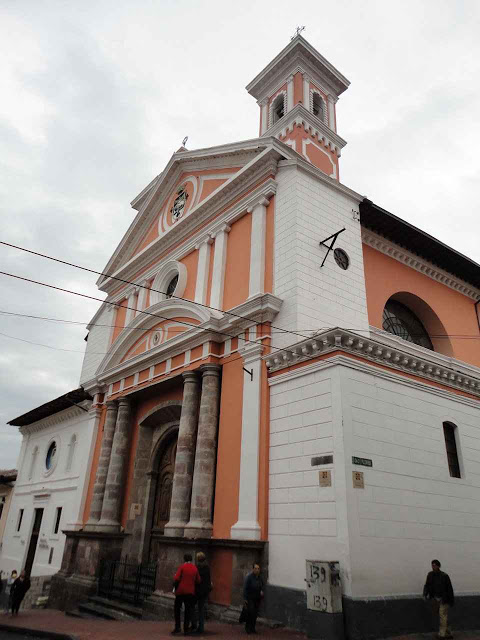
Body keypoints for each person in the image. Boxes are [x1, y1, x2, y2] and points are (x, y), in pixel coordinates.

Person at [423, 559, 454, 639]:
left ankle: (441, 634)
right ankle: (449, 631)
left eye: (435, 565)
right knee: (442, 616)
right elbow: (427, 585)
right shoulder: (430, 575)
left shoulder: (444, 576)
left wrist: (451, 601)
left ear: (438, 566)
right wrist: (425, 594)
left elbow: (449, 589)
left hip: (444, 599)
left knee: (442, 615)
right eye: (432, 565)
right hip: (435, 599)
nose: (433, 567)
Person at [172, 553, 200, 635]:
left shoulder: (182, 567)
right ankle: (186, 628)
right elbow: (198, 580)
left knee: (177, 609)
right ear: (191, 559)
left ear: (184, 559)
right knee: (187, 610)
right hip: (190, 592)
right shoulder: (195, 568)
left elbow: (176, 578)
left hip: (180, 591)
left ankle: (177, 627)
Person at [192, 552, 212, 634]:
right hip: (204, 591)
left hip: (197, 591)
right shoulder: (207, 568)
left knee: (193, 608)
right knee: (201, 609)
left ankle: (194, 624)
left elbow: (196, 580)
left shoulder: (197, 568)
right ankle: (201, 627)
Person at [243, 563, 264, 635]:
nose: (257, 570)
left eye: (258, 568)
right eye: (255, 568)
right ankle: (247, 628)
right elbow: (245, 588)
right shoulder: (249, 577)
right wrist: (245, 598)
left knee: (255, 614)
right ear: (253, 569)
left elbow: (262, 586)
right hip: (250, 598)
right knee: (250, 613)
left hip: (257, 598)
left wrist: (261, 591)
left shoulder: (260, 577)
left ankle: (253, 628)